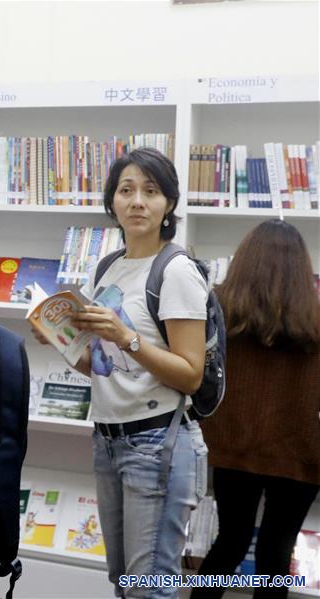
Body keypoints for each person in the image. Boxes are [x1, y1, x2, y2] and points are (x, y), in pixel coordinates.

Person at [33, 147, 209, 598]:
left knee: (148, 587)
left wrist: (126, 336)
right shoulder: (108, 267)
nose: (137, 202)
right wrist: (58, 336)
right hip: (109, 438)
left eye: (151, 191)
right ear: (112, 201)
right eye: (126, 190)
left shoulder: (177, 271)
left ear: (168, 203)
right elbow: (101, 365)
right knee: (125, 582)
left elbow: (190, 375)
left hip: (158, 441)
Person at [192, 220, 320, 599]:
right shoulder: (314, 321)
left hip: (234, 446)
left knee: (229, 542)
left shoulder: (217, 308)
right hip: (302, 452)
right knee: (277, 551)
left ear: (243, 262)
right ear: (302, 269)